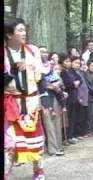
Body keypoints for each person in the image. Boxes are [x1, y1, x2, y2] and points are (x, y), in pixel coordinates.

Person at [4, 16, 45, 180]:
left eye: (24, 29)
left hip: (32, 102)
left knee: (37, 139)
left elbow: (40, 77)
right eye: (20, 30)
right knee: (10, 144)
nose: (24, 33)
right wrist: (13, 71)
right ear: (9, 34)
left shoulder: (32, 50)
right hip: (11, 104)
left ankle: (39, 171)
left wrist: (43, 98)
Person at [59, 54, 81, 145]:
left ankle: (70, 136)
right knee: (66, 118)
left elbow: (79, 79)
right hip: (67, 97)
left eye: (69, 61)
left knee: (72, 118)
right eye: (66, 61)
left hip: (74, 96)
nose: (68, 63)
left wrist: (76, 83)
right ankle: (65, 138)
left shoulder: (71, 71)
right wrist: (73, 84)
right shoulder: (63, 72)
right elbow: (67, 84)